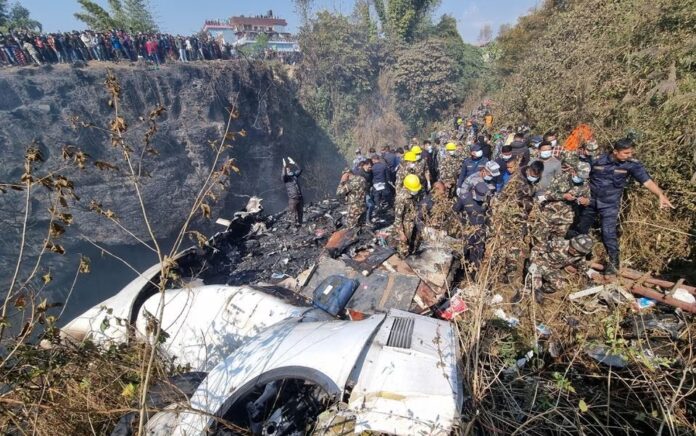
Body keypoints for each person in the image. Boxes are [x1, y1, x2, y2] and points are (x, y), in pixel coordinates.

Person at [571, 138, 673, 275]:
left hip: (609, 205)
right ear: (615, 151)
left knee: (608, 233)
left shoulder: (631, 165)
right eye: (626, 153)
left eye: (631, 153)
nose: (629, 155)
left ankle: (613, 264)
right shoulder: (597, 159)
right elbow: (579, 172)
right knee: (581, 229)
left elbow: (647, 181)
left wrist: (660, 195)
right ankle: (578, 257)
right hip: (590, 201)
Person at [489, 160, 544, 286]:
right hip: (509, 218)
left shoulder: (535, 181)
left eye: (536, 176)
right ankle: (494, 270)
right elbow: (507, 197)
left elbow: (534, 194)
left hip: (521, 220)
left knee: (514, 248)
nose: (534, 177)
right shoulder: (517, 180)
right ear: (529, 169)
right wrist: (529, 203)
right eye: (532, 175)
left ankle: (509, 275)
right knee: (501, 244)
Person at [532, 157, 590, 245]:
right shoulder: (560, 178)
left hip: (566, 218)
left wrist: (585, 201)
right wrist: (563, 196)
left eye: (583, 177)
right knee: (540, 238)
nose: (581, 179)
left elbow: (588, 200)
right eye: (579, 176)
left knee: (557, 243)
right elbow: (547, 194)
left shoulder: (585, 185)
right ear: (573, 171)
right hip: (549, 214)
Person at [526, 235, 594, 304]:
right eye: (573, 246)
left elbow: (583, 267)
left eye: (577, 250)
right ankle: (531, 288)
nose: (573, 249)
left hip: (553, 269)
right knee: (535, 286)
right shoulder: (559, 243)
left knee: (559, 285)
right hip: (539, 263)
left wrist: (590, 276)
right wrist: (533, 262)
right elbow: (536, 248)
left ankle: (541, 289)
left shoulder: (580, 256)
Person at [454, 182, 491, 268]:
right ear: (473, 190)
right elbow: (455, 210)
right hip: (467, 229)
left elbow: (490, 213)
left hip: (480, 230)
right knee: (461, 251)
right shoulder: (464, 198)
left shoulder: (487, 198)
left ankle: (475, 271)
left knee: (477, 254)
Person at [392, 174, 425, 257]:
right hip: (404, 225)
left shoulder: (410, 195)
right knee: (403, 245)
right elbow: (398, 218)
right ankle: (402, 258)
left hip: (411, 221)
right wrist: (401, 233)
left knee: (411, 240)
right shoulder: (401, 198)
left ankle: (409, 252)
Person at [337, 159, 372, 229]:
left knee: (351, 229)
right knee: (360, 227)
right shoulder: (362, 179)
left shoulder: (350, 183)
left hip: (354, 209)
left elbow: (339, 192)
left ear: (347, 174)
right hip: (363, 206)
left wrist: (342, 182)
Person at [281, 157, 303, 227]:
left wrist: (294, 163)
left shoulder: (294, 175)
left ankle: (300, 225)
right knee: (293, 214)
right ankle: (293, 227)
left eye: (289, 168)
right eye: (287, 169)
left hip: (299, 197)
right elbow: (283, 175)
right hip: (292, 199)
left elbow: (300, 169)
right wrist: (284, 166)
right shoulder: (286, 179)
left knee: (300, 212)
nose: (288, 169)